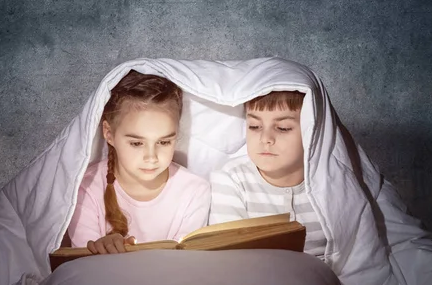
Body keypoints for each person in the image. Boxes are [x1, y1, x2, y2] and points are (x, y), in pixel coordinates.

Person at [68, 70, 211, 254]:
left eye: (164, 142)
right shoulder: (84, 189)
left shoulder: (195, 191)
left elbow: (183, 266)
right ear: (108, 133)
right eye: (136, 143)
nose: (151, 157)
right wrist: (102, 249)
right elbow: (81, 271)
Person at [209, 90, 327, 259]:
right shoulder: (231, 179)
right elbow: (230, 259)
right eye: (254, 126)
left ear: (313, 129)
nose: (266, 138)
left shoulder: (332, 180)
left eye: (282, 128)